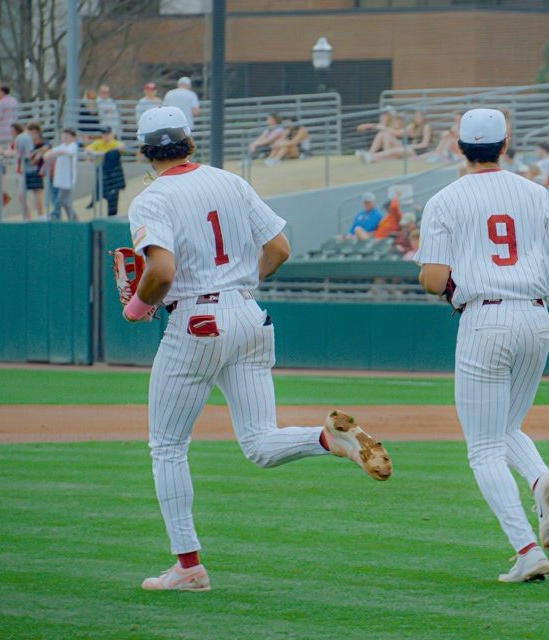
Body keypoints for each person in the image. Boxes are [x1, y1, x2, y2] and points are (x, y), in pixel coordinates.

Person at [120, 106, 392, 592]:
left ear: (144, 151)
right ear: (190, 142)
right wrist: (239, 285)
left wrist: (137, 308)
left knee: (167, 447)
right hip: (249, 313)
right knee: (260, 443)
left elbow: (160, 272)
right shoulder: (231, 182)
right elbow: (281, 248)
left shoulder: (150, 199)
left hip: (197, 321)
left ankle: (188, 567)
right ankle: (329, 440)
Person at [415, 108, 549, 582]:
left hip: (485, 317)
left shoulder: (445, 199)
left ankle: (527, 549)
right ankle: (539, 479)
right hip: (536, 315)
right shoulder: (536, 193)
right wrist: (528, 290)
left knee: (483, 449)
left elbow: (433, 279)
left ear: (459, 146)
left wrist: (450, 286)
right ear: (505, 144)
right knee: (507, 426)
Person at [87, 127, 126, 217]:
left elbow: (122, 146)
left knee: (113, 195)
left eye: (107, 133)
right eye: (104, 134)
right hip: (102, 171)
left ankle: (111, 214)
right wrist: (102, 153)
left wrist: (104, 152)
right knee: (101, 188)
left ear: (111, 134)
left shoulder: (115, 143)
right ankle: (95, 199)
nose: (105, 136)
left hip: (114, 173)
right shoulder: (99, 142)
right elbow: (88, 150)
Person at [45, 129, 80, 221]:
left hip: (68, 178)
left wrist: (55, 153)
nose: (64, 137)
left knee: (60, 199)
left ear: (72, 137)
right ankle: (73, 217)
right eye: (64, 135)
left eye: (67, 135)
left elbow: (65, 153)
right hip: (60, 178)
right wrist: (51, 153)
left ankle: (55, 214)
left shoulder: (73, 146)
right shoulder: (61, 146)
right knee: (65, 201)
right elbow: (48, 154)